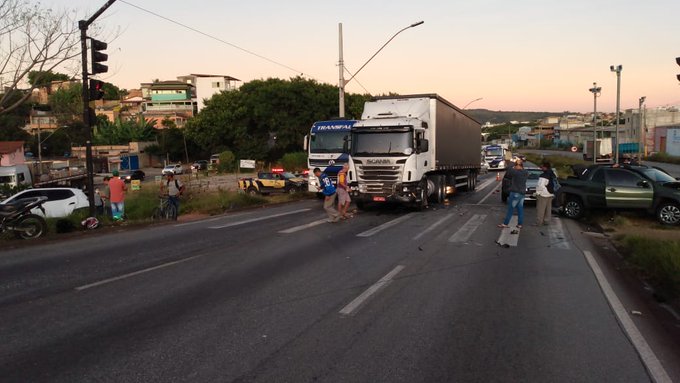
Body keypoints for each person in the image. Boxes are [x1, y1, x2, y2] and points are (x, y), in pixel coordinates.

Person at [498, 159, 529, 229]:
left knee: (510, 209)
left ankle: (505, 223)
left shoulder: (516, 172)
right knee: (520, 209)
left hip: (515, 192)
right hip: (522, 193)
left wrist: (513, 162)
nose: (514, 167)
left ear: (518, 165)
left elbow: (508, 168)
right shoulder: (526, 172)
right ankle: (520, 224)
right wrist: (517, 163)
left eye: (515, 166)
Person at [534, 161, 555, 226]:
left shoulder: (544, 175)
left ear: (545, 167)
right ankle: (547, 221)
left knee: (541, 209)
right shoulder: (553, 173)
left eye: (542, 167)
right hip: (551, 193)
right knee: (548, 209)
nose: (541, 168)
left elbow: (540, 186)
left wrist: (537, 193)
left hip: (543, 194)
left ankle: (539, 222)